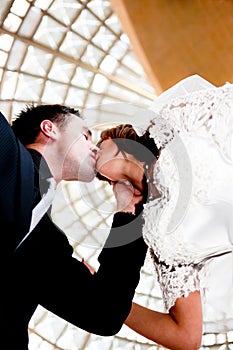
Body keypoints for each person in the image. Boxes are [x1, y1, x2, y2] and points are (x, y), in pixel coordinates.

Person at [95, 77, 233, 350]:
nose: (91, 152)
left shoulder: (172, 121)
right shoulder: (158, 233)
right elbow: (186, 337)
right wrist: (110, 298)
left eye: (96, 144)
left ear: (114, 137)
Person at [0, 104, 148, 349]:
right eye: (85, 135)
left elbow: (105, 314)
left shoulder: (48, 245)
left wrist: (128, 211)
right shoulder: (5, 150)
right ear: (49, 129)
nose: (95, 146)